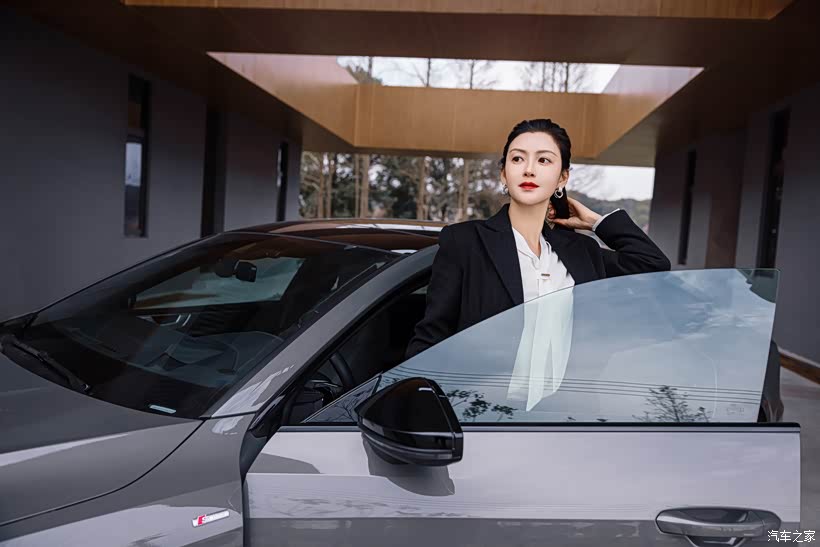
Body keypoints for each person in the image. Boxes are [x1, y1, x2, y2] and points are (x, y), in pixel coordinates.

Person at [405, 118, 671, 360]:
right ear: (504, 173)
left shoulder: (582, 251)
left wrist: (595, 222)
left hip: (570, 397)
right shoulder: (465, 241)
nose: (529, 169)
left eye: (543, 160)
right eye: (517, 159)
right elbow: (430, 341)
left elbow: (652, 264)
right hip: (480, 397)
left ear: (562, 177)